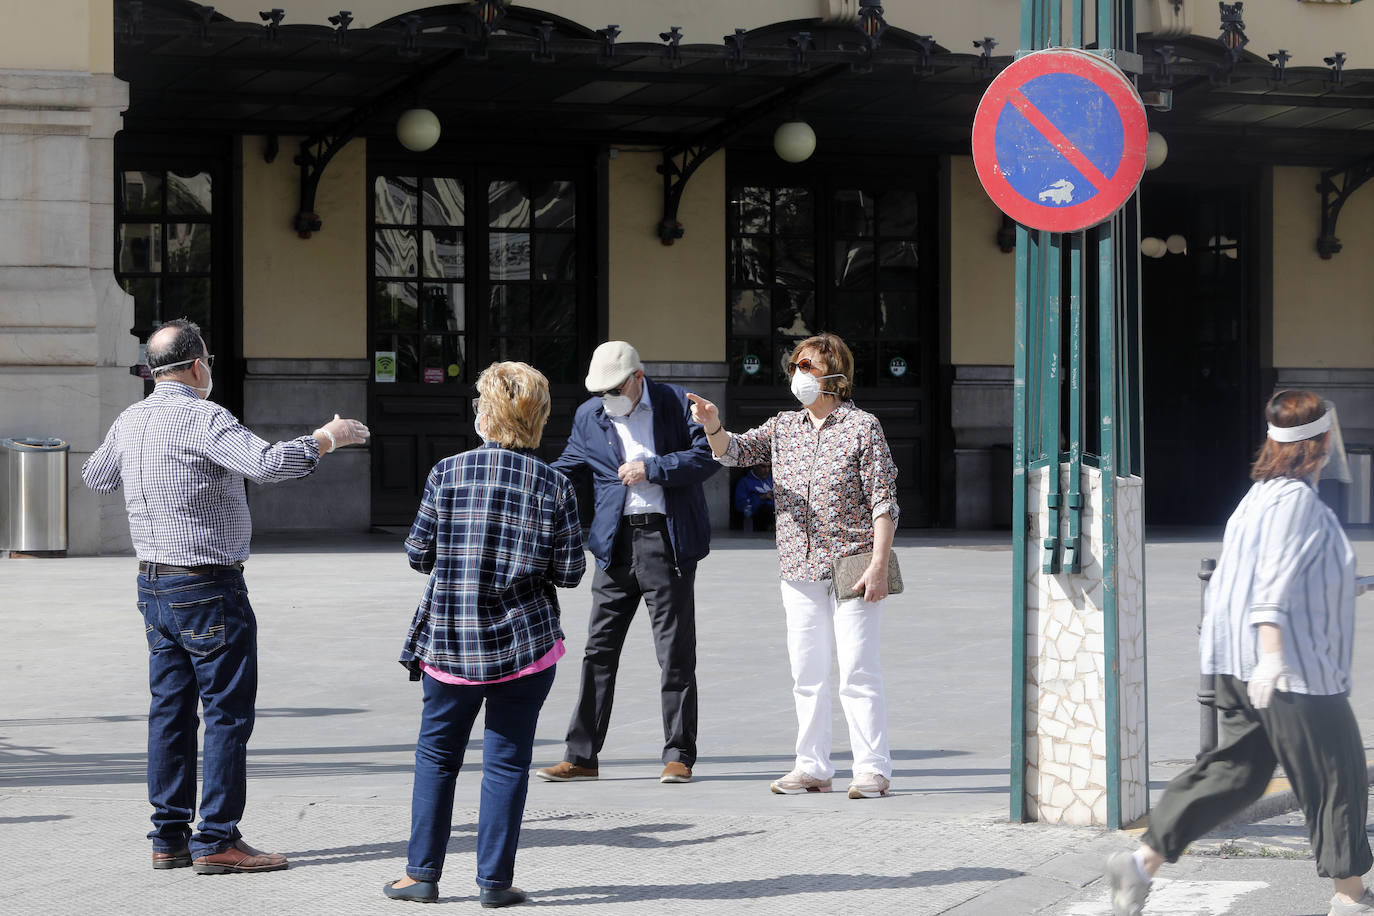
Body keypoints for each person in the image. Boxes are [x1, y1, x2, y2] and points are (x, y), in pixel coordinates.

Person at [81, 318, 369, 874]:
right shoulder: (204, 416)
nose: (208, 368)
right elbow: (266, 465)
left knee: (169, 710)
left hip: (155, 584)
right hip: (209, 586)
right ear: (195, 366)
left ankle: (169, 836)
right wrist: (327, 438)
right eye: (207, 360)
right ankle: (216, 839)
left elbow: (96, 477)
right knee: (227, 714)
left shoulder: (132, 419)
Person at [1104, 389, 1374, 916]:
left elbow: (1277, 575)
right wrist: (1273, 655)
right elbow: (1272, 585)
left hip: (1234, 662)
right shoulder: (1296, 501)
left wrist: (1355, 583)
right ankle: (1351, 898)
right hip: (1290, 669)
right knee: (1339, 772)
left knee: (1235, 773)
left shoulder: (1258, 496)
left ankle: (1140, 865)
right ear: (1318, 445)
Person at [385, 361, 585, 908]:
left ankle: (420, 874)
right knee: (507, 762)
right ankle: (495, 883)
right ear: (537, 416)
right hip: (526, 645)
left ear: (486, 412)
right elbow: (569, 572)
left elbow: (418, 553)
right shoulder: (555, 483)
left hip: (451, 639)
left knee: (437, 757)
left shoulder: (447, 473)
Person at [686, 332, 899, 799]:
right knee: (807, 673)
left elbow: (884, 501)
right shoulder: (783, 426)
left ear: (836, 376)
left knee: (858, 671)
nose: (799, 374)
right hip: (798, 566)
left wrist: (880, 564)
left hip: (853, 563)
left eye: (809, 366)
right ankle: (812, 766)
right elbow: (733, 452)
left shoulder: (863, 427)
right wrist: (713, 424)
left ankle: (871, 769)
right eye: (796, 366)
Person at [535, 340, 718, 785]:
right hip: (614, 545)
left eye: (614, 389)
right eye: (600, 391)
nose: (607, 398)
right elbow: (571, 465)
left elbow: (708, 457)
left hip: (666, 540)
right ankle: (581, 757)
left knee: (674, 653)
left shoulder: (678, 403)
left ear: (638, 378)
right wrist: (528, 481)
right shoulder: (589, 415)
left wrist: (651, 468)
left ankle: (679, 754)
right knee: (598, 651)